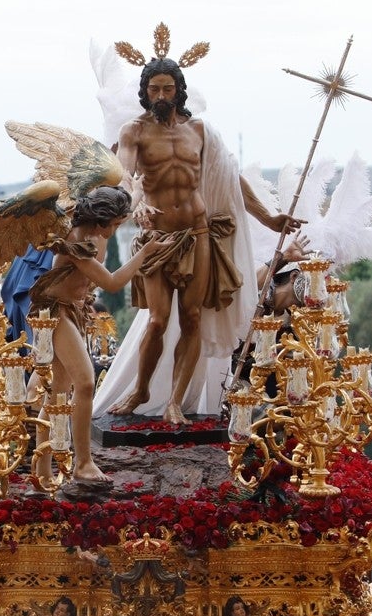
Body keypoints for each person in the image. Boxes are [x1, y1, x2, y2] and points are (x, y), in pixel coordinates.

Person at [94, 40, 301, 424]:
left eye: (167, 88)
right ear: (145, 91)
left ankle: (175, 400)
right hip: (157, 237)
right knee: (157, 320)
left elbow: (229, 179)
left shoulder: (200, 131)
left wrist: (269, 219)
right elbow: (122, 171)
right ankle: (140, 390)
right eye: (153, 89)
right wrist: (135, 199)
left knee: (192, 317)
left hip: (198, 231)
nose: (160, 95)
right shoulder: (134, 131)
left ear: (179, 90)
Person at [27, 186, 161, 481]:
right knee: (85, 382)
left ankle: (41, 471)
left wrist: (141, 187)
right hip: (54, 311)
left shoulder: (99, 226)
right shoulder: (75, 239)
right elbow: (112, 282)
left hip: (73, 311)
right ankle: (83, 463)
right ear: (100, 219)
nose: (115, 230)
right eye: (113, 225)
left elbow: (126, 202)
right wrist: (145, 253)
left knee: (58, 393)